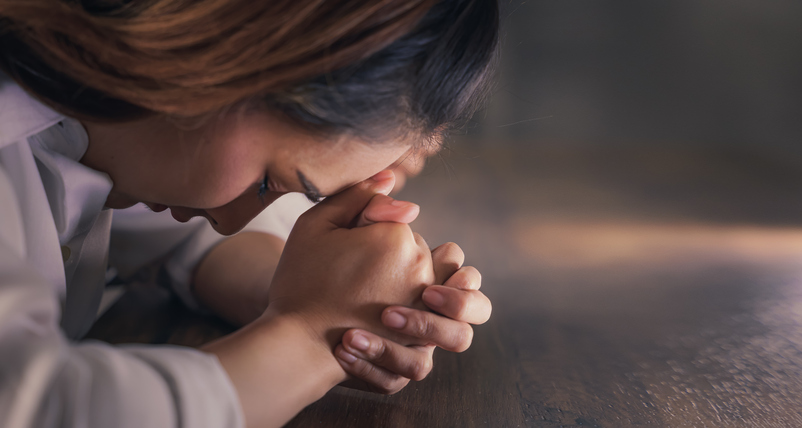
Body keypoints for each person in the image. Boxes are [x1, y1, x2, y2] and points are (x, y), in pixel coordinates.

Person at [0, 0, 498, 427]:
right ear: (222, 51)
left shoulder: (102, 135)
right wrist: (306, 339)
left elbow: (170, 235)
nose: (229, 220)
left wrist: (332, 295)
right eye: (269, 182)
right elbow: (39, 409)